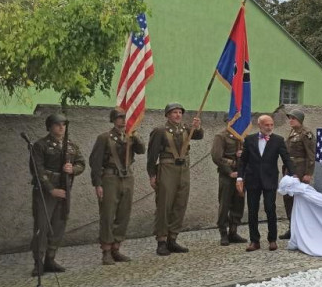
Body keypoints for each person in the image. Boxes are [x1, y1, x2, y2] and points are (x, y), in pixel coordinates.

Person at [29, 114, 85, 276]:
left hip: (65, 188)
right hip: (46, 191)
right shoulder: (40, 145)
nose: (61, 127)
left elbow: (81, 163)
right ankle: (38, 262)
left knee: (59, 224)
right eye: (57, 124)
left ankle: (50, 259)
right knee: (42, 225)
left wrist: (73, 169)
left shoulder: (71, 146)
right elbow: (37, 169)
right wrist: (51, 189)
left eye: (63, 124)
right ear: (49, 127)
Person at [88, 108, 145, 264]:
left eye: (125, 117)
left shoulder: (131, 136)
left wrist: (135, 136)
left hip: (127, 177)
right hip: (110, 178)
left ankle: (116, 247)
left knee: (123, 213)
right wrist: (97, 184)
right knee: (107, 214)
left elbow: (141, 150)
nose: (123, 120)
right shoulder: (104, 138)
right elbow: (95, 162)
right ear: (113, 120)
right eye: (120, 117)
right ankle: (106, 250)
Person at [147, 103, 203, 256]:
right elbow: (152, 155)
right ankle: (161, 241)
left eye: (180, 112)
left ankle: (172, 238)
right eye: (174, 112)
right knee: (164, 205)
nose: (178, 115)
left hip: (183, 169)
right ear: (167, 115)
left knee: (180, 203)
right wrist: (152, 175)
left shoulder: (185, 129)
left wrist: (197, 127)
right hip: (167, 169)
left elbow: (199, 135)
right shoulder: (160, 131)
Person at [238, 114, 296, 251]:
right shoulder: (249, 140)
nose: (269, 127)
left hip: (270, 180)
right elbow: (243, 161)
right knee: (252, 211)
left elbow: (286, 158)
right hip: (252, 180)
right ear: (260, 125)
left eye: (271, 125)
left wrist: (294, 175)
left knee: (270, 209)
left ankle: (272, 239)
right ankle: (254, 241)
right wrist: (240, 178)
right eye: (266, 125)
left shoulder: (278, 140)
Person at [211, 116, 247, 246]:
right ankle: (223, 233)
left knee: (239, 203)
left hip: (241, 174)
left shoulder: (243, 136)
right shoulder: (221, 136)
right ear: (227, 122)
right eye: (232, 121)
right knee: (225, 204)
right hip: (227, 175)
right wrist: (229, 171)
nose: (235, 123)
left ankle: (233, 231)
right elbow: (217, 157)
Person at [281, 110, 315, 240]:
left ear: (299, 120)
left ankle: (300, 229)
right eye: (289, 118)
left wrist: (308, 173)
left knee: (298, 199)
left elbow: (311, 155)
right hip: (289, 170)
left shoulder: (306, 134)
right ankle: (291, 227)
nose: (290, 120)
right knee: (288, 198)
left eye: (293, 118)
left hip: (300, 170)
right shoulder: (292, 132)